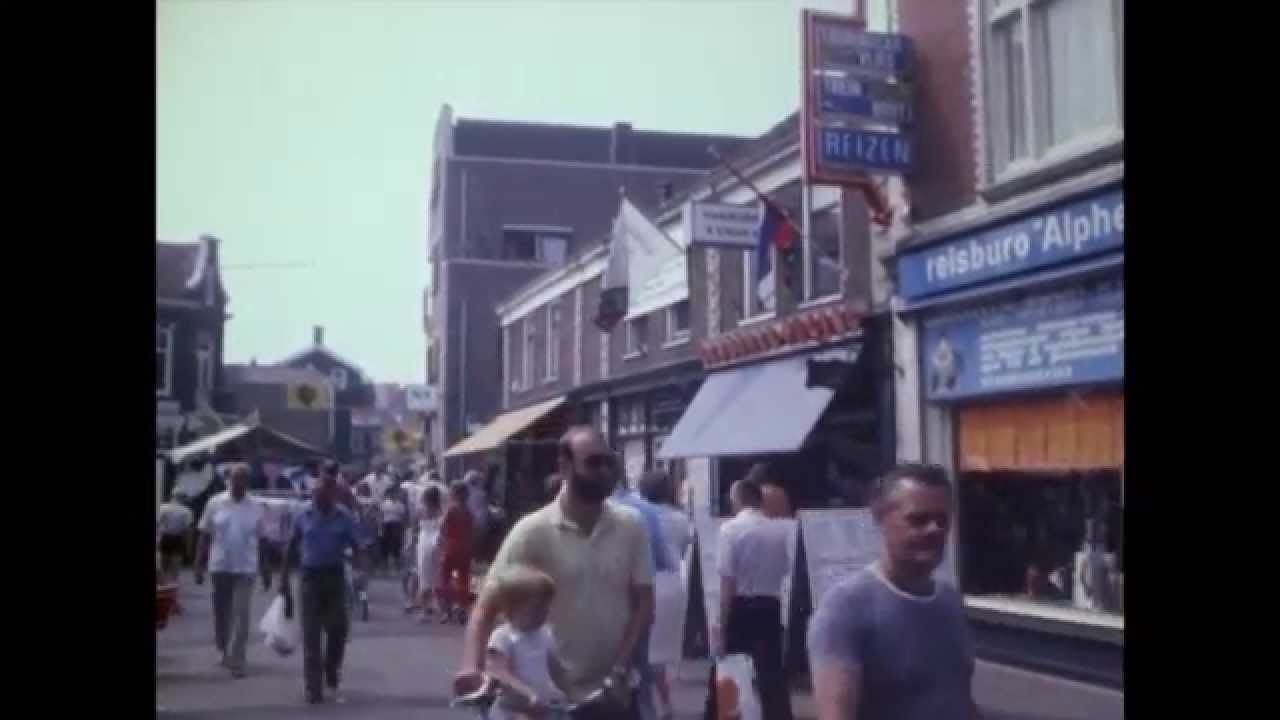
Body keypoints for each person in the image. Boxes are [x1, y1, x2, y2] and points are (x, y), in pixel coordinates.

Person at [456, 426, 655, 718]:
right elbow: (486, 606)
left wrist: (622, 666)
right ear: (564, 466)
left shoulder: (631, 525)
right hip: (551, 701)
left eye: (608, 462)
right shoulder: (532, 531)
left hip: (611, 694)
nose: (604, 471)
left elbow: (643, 603)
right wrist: (471, 666)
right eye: (593, 462)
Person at [807, 464, 978, 720]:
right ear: (880, 518)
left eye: (942, 520)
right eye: (918, 519)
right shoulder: (845, 609)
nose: (935, 529)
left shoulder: (949, 600)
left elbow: (957, 698)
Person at [706, 468, 794, 720]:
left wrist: (720, 623)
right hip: (771, 603)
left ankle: (730, 714)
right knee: (771, 670)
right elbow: (785, 568)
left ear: (738, 500)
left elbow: (727, 580)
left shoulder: (730, 530)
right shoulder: (779, 530)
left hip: (740, 605)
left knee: (731, 665)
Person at [280, 469, 366, 705]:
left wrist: (359, 572)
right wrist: (284, 581)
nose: (318, 498)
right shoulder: (303, 514)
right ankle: (313, 687)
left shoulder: (344, 517)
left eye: (323, 494)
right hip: (310, 578)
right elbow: (290, 547)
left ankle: (331, 670)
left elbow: (358, 546)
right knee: (311, 633)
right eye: (315, 494)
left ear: (333, 495)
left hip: (335, 577)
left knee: (338, 630)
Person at [194, 465, 269, 679]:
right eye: (236, 479)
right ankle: (223, 648)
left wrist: (266, 570)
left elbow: (263, 539)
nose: (239, 483)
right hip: (220, 567)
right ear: (229, 480)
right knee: (222, 614)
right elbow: (204, 535)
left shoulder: (255, 506)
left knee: (242, 614)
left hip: (245, 568)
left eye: (243, 480)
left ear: (247, 483)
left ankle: (238, 660)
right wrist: (198, 565)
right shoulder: (215, 503)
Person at [612, 471, 676, 720]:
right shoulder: (644, 511)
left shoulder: (583, 510)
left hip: (599, 605)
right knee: (639, 668)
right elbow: (662, 559)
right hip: (638, 600)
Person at [484, 565, 573, 720]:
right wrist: (527, 693)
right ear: (512, 608)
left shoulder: (545, 634)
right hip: (512, 708)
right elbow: (501, 674)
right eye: (538, 608)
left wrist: (572, 692)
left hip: (541, 707)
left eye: (547, 606)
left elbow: (556, 670)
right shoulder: (503, 637)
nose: (545, 612)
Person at [638, 470, 692, 720]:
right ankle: (665, 702)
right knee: (659, 653)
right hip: (673, 583)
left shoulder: (637, 515)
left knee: (643, 650)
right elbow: (682, 550)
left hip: (646, 582)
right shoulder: (680, 518)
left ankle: (650, 704)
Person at [438, 481, 475, 624]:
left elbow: (443, 527)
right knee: (463, 580)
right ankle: (462, 607)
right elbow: (473, 531)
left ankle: (447, 611)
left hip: (451, 547)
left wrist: (440, 543)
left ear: (454, 494)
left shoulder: (451, 509)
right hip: (465, 548)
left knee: (445, 579)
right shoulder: (468, 511)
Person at [415, 484, 446, 620]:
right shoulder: (442, 512)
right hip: (437, 541)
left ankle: (426, 609)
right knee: (438, 575)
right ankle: (441, 607)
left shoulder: (421, 511)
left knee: (424, 575)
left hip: (424, 541)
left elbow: (414, 527)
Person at [157, 490, 195, 584]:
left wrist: (158, 538)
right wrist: (189, 546)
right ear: (182, 497)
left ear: (172, 496)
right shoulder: (186, 511)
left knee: (163, 563)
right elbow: (188, 530)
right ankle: (174, 583)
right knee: (175, 564)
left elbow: (158, 523)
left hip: (165, 537)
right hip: (178, 538)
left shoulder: (163, 507)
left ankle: (163, 583)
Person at [380, 489, 408, 575]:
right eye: (392, 493)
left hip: (396, 525)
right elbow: (381, 515)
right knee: (385, 544)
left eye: (395, 493)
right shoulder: (385, 503)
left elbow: (403, 517)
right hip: (386, 524)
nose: (393, 495)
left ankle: (396, 565)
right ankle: (385, 566)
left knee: (396, 544)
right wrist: (380, 526)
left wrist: (403, 527)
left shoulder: (400, 505)